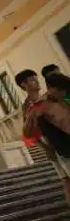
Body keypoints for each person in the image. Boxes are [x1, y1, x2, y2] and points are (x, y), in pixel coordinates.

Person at [24, 71, 70, 206]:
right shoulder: (39, 107)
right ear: (51, 89)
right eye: (61, 90)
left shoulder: (61, 101)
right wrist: (46, 148)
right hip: (64, 150)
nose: (64, 92)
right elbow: (29, 133)